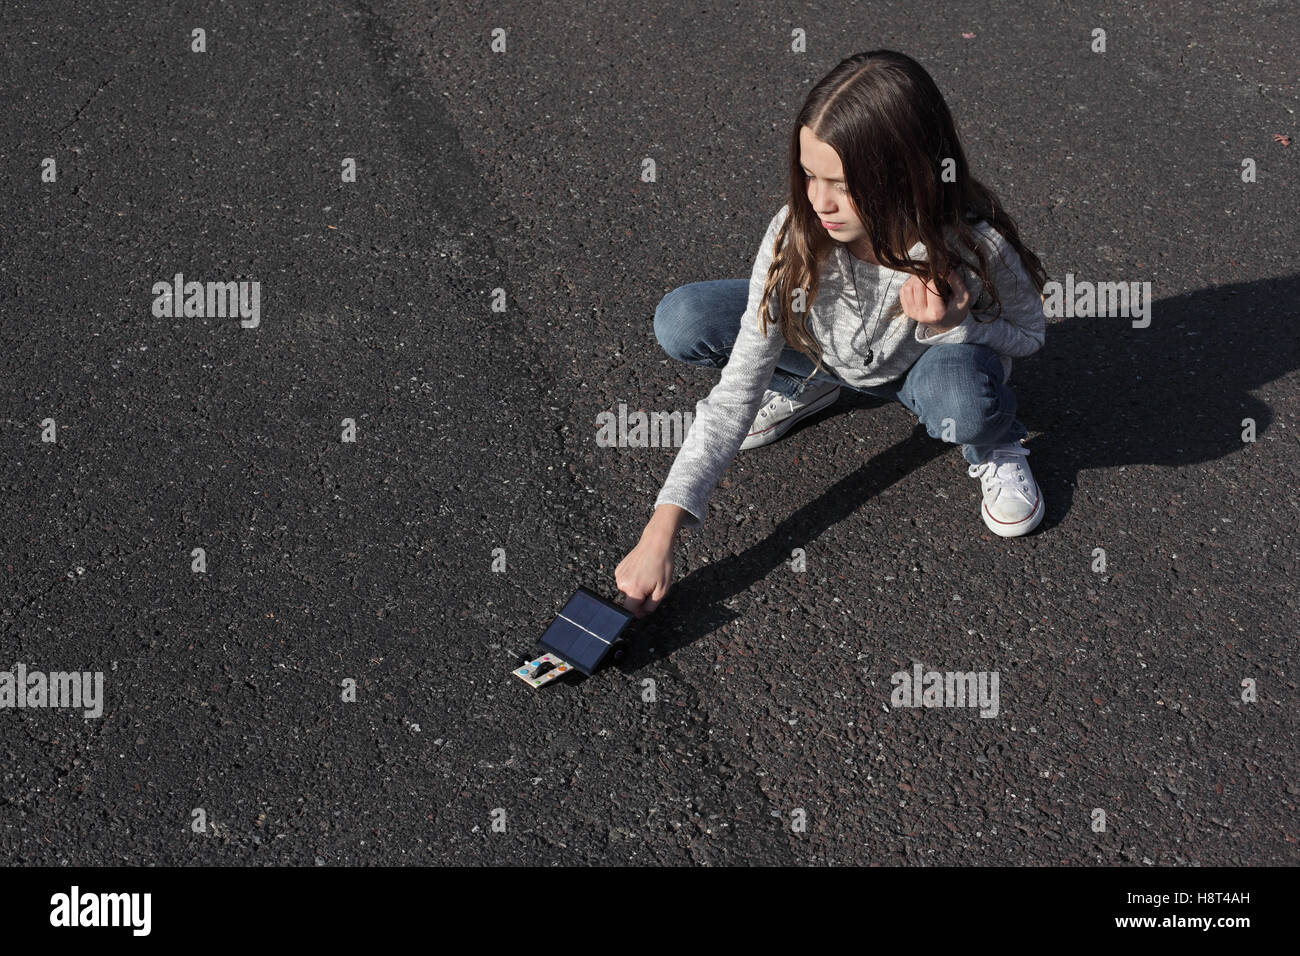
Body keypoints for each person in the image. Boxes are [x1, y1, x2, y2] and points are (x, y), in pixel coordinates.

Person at [615, 50, 1051, 619]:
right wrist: (661, 530)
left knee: (963, 403)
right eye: (809, 174)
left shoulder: (971, 244)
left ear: (907, 176)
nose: (819, 201)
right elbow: (736, 388)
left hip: (923, 369)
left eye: (842, 185)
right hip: (829, 354)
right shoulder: (795, 233)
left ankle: (996, 441)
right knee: (683, 320)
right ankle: (810, 386)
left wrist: (954, 326)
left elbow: (1031, 335)